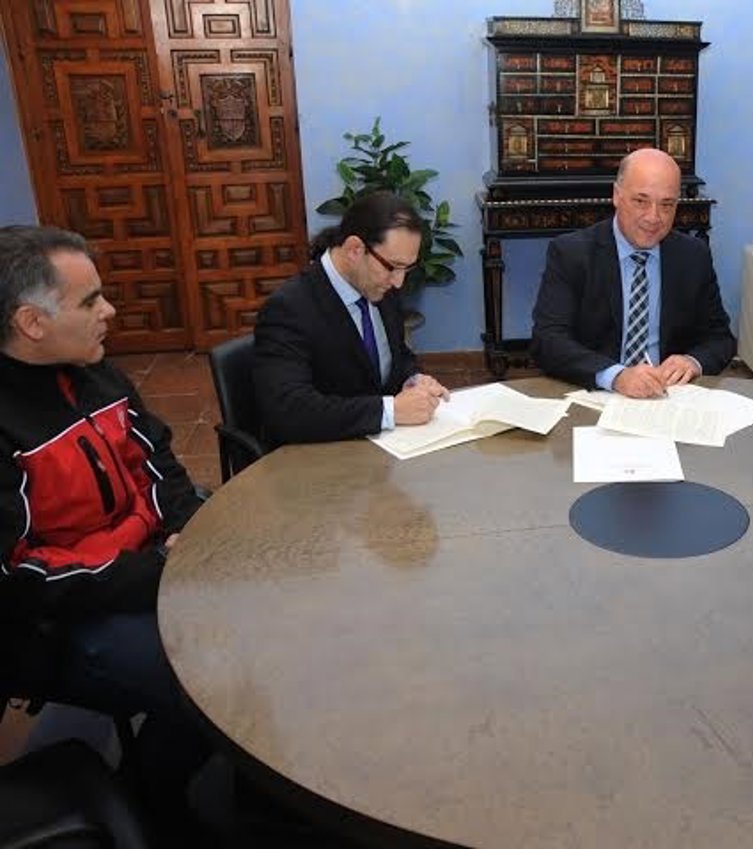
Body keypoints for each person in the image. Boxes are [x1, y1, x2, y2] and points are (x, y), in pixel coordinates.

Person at [0, 226, 209, 836]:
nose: (109, 311)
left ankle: (167, 784)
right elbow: (20, 578)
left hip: (150, 567)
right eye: (90, 300)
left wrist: (188, 527)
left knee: (258, 624)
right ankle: (159, 812)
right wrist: (160, 572)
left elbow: (161, 460)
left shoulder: (97, 376)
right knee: (210, 684)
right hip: (61, 623)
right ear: (31, 323)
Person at [530, 147, 735, 397]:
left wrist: (692, 362)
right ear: (617, 196)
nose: (654, 217)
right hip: (596, 393)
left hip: (668, 396)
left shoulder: (693, 256)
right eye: (641, 201)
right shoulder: (571, 254)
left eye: (667, 205)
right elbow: (548, 341)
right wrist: (616, 376)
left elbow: (720, 339)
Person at [253, 191, 450, 446]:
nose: (399, 282)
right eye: (393, 266)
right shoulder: (289, 309)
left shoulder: (380, 285)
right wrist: (390, 411)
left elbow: (398, 356)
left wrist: (412, 380)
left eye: (406, 269)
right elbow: (289, 411)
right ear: (355, 249)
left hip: (386, 450)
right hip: (319, 459)